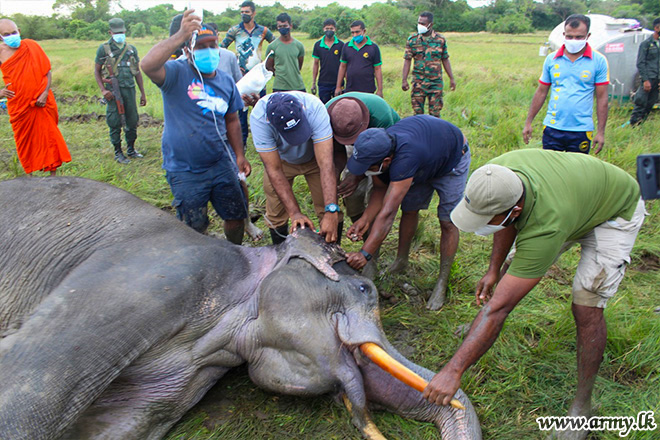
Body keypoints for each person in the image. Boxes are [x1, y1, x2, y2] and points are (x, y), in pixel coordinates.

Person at [424, 150, 645, 440]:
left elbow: (500, 308)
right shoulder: (496, 175)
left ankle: (582, 408)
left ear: (515, 210)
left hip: (615, 211)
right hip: (574, 198)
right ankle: (478, 333)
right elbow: (506, 222)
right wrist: (493, 270)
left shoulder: (547, 225)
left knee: (586, 304)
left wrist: (454, 370)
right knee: (507, 272)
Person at [141, 10, 250, 244]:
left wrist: (239, 155)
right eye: (202, 46)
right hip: (185, 169)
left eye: (213, 45)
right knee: (194, 226)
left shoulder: (225, 80)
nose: (210, 51)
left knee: (235, 215)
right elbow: (148, 65)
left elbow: (232, 119)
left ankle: (235, 253)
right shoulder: (175, 74)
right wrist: (181, 34)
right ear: (188, 49)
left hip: (221, 162)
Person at [344, 115, 470, 310]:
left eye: (367, 167)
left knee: (448, 221)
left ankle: (442, 283)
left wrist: (365, 254)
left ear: (386, 161)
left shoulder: (405, 159)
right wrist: (365, 219)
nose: (365, 171)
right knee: (410, 210)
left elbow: (387, 214)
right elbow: (379, 190)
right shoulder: (381, 148)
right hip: (424, 159)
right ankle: (401, 261)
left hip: (451, 159)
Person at [250, 91, 341, 244]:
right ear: (269, 121)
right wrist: (295, 213)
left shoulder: (314, 108)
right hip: (282, 161)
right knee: (276, 209)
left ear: (302, 108)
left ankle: (333, 252)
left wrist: (331, 210)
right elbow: (274, 170)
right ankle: (280, 252)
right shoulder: (259, 119)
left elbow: (326, 164)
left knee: (326, 206)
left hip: (314, 157)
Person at [326, 91, 400, 277]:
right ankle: (362, 228)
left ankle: (371, 255)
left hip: (383, 148)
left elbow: (382, 177)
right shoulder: (328, 114)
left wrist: (357, 176)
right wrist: (334, 180)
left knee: (376, 198)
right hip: (355, 150)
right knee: (352, 196)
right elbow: (336, 152)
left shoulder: (382, 116)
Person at [523, 14, 609, 155]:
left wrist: (601, 132)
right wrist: (528, 122)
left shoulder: (599, 61)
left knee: (577, 172)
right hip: (552, 127)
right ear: (564, 34)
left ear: (588, 36)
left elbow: (602, 98)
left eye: (579, 37)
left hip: (581, 130)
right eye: (569, 37)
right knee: (551, 170)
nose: (573, 41)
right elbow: (541, 91)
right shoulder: (552, 59)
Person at [0, 18, 71, 176]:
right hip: (18, 104)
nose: (12, 35)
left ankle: (53, 173)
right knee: (25, 140)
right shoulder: (0, 51)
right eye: (7, 34)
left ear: (19, 31)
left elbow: (47, 71)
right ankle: (30, 174)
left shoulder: (31, 45)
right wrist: (0, 93)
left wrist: (45, 93)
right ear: (0, 37)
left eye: (14, 32)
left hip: (41, 101)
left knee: (48, 137)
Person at [221, 0, 275, 146]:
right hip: (242, 77)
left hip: (258, 77)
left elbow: (275, 45)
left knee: (261, 107)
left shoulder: (263, 31)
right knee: (241, 112)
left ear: (253, 13)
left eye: (247, 12)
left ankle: (266, 141)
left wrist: (269, 64)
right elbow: (222, 47)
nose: (244, 15)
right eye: (242, 12)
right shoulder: (235, 30)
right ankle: (242, 142)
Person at [94, 18, 147, 164]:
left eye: (122, 32)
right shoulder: (104, 49)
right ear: (110, 32)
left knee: (132, 119)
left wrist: (143, 93)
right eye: (116, 32)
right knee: (114, 121)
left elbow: (137, 72)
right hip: (113, 92)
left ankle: (131, 149)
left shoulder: (131, 49)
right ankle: (118, 152)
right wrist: (103, 90)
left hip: (129, 90)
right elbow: (97, 71)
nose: (120, 34)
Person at [402, 11, 456, 118]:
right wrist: (404, 80)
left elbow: (445, 59)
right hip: (418, 82)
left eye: (423, 23)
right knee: (417, 115)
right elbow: (407, 60)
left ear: (431, 24)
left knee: (435, 114)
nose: (420, 26)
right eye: (419, 23)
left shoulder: (440, 40)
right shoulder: (412, 40)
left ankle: (435, 134)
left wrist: (451, 78)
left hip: (435, 83)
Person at [335, 20, 383, 98]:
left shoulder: (373, 47)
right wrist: (338, 87)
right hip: (351, 89)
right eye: (352, 33)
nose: (355, 35)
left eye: (357, 32)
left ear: (364, 31)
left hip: (368, 89)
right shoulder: (346, 47)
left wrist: (380, 89)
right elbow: (343, 66)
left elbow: (377, 69)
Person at [628, 18, 660, 126]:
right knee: (641, 103)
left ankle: (641, 124)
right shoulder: (646, 44)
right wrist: (646, 80)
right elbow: (640, 63)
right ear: (656, 28)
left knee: (651, 103)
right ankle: (633, 125)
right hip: (648, 78)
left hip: (657, 79)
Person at [265, 13, 306, 93]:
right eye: (280, 26)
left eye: (285, 26)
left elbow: (299, 66)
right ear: (277, 27)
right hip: (279, 86)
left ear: (290, 26)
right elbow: (268, 66)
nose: (282, 28)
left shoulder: (299, 45)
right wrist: (279, 75)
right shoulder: (272, 46)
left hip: (297, 86)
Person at [311, 18, 344, 103]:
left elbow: (344, 66)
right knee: (324, 107)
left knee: (339, 107)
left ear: (335, 29)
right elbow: (316, 64)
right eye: (327, 29)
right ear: (323, 29)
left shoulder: (341, 45)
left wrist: (340, 85)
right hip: (323, 82)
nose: (329, 31)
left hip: (338, 82)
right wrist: (313, 83)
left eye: (331, 29)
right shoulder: (318, 45)